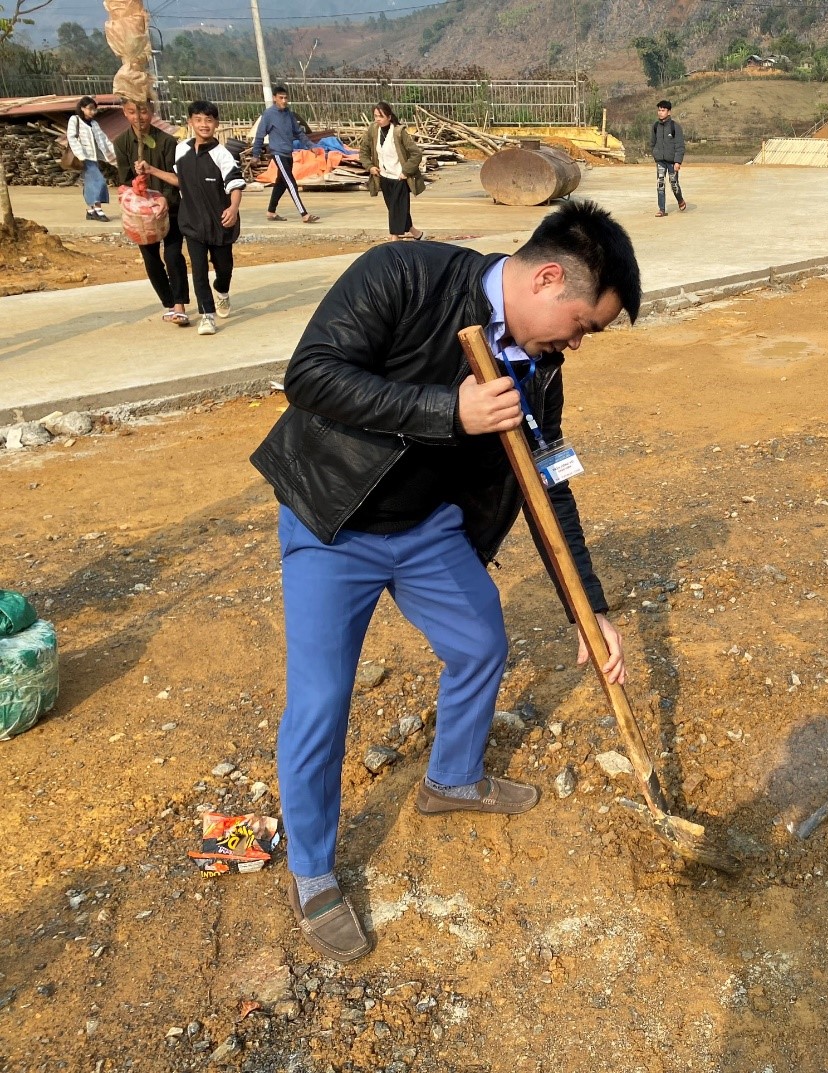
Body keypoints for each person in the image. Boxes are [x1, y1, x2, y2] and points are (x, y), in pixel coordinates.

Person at [250, 199, 642, 962]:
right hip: (335, 521)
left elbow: (549, 484)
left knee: (481, 640)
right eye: (585, 325)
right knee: (323, 701)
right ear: (550, 279)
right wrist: (447, 409)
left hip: (427, 529)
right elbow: (311, 375)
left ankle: (452, 777)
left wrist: (587, 611)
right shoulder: (404, 273)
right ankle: (313, 871)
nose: (579, 343)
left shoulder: (541, 369)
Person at [142, 100, 245, 337]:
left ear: (216, 124)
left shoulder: (222, 155)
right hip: (192, 223)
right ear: (190, 122)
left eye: (209, 120)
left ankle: (222, 291)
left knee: (224, 268)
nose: (204, 125)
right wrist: (152, 170)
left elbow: (235, 184)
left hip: (220, 223)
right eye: (198, 120)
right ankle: (207, 315)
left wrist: (233, 208)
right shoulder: (182, 150)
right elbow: (181, 180)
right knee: (198, 271)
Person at [113, 98, 190, 327]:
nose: (139, 118)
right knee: (150, 257)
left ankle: (179, 304)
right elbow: (124, 179)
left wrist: (163, 200)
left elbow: (174, 178)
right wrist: (138, 185)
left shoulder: (167, 141)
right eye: (132, 113)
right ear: (124, 113)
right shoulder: (122, 143)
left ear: (152, 112)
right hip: (142, 214)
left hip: (170, 208)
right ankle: (167, 302)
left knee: (173, 255)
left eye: (144, 112)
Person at [357, 101, 425, 242]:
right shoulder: (373, 130)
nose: (377, 119)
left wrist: (406, 171)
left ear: (389, 117)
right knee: (396, 209)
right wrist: (370, 166)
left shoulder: (399, 132)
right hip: (384, 176)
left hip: (399, 177)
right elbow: (363, 151)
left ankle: (395, 238)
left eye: (380, 116)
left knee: (396, 208)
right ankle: (415, 232)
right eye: (375, 116)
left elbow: (416, 154)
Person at [253, 84, 320, 224]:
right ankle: (304, 214)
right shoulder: (269, 114)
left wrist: (310, 146)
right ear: (274, 98)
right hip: (278, 153)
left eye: (286, 98)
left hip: (289, 153)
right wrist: (256, 154)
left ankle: (271, 211)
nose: (284, 101)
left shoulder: (289, 114)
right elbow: (259, 135)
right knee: (291, 183)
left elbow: (299, 133)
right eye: (280, 98)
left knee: (281, 183)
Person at [67, 96, 116, 222]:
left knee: (90, 183)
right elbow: (71, 138)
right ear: (82, 108)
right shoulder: (75, 120)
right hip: (84, 157)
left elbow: (104, 139)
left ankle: (91, 210)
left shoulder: (94, 123)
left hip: (94, 157)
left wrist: (115, 152)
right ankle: (98, 210)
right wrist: (80, 155)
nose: (92, 112)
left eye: (94, 109)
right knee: (99, 181)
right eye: (90, 109)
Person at [650, 99, 685, 217]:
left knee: (674, 184)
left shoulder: (675, 127)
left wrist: (677, 162)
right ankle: (661, 209)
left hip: (672, 162)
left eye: (663, 110)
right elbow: (652, 143)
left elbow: (680, 146)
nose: (660, 112)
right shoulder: (655, 127)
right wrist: (655, 154)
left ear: (669, 112)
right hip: (660, 161)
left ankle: (680, 200)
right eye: (659, 110)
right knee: (660, 184)